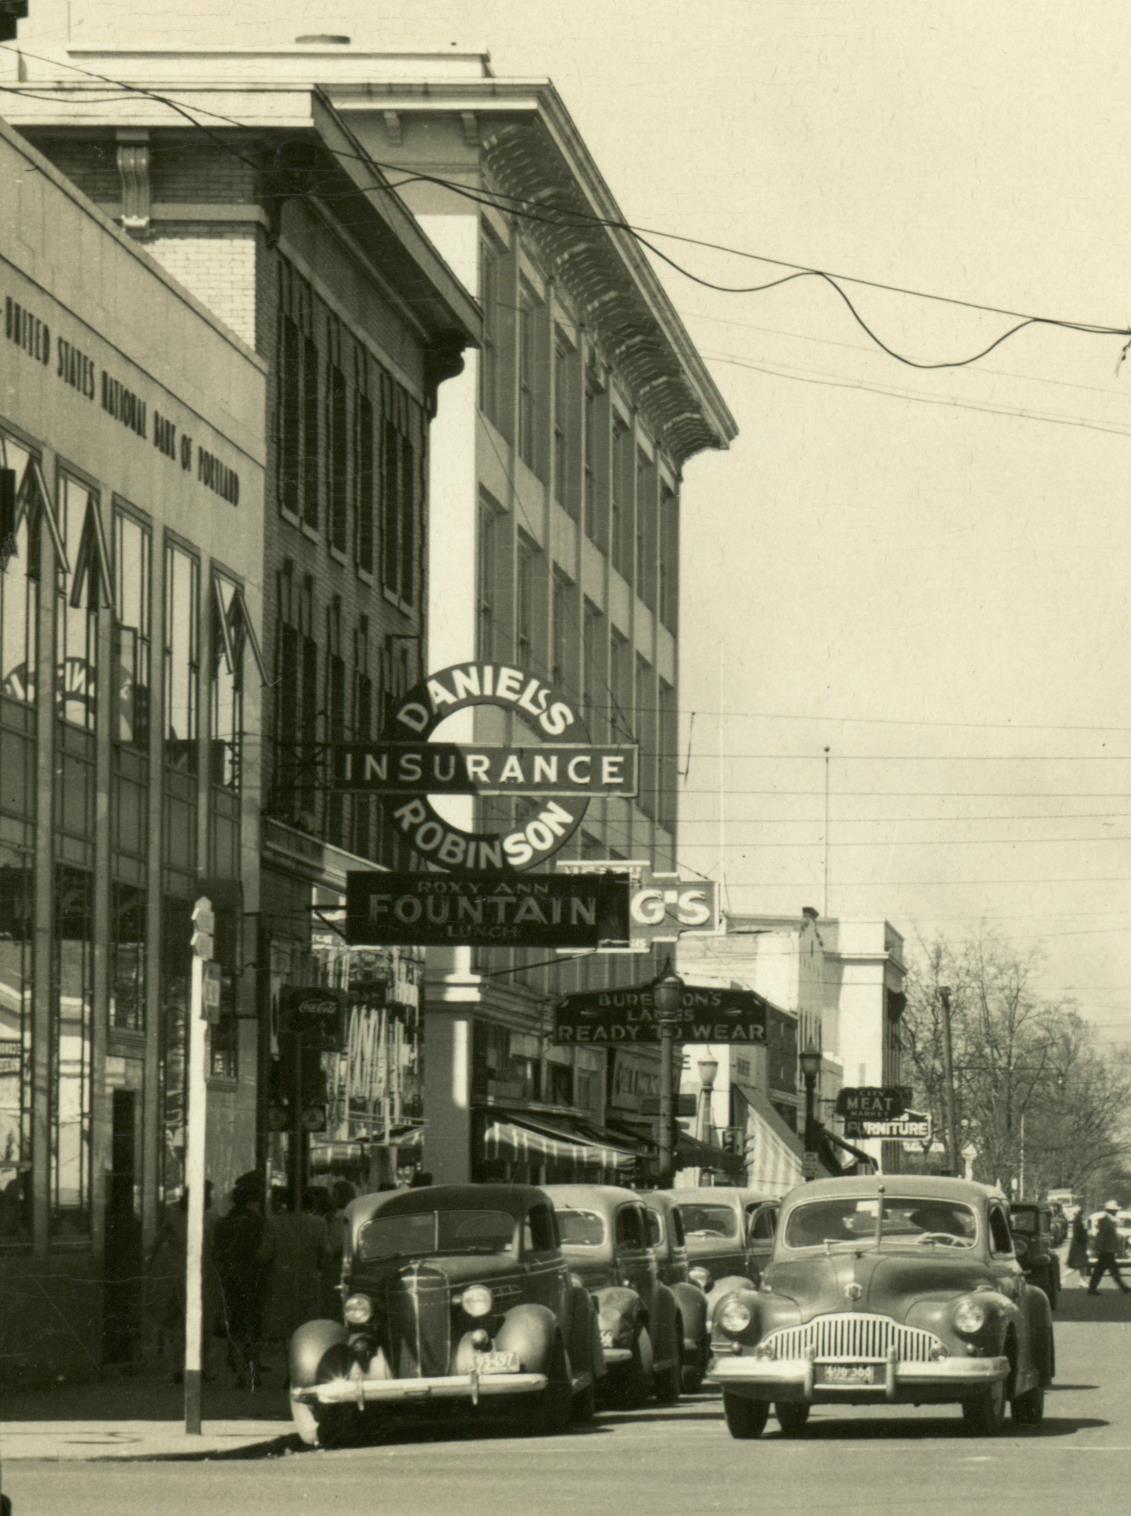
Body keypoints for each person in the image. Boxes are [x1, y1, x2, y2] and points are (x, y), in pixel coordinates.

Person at [214, 1172, 274, 1387]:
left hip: (231, 1277)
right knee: (255, 1323)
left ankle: (241, 1371)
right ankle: (253, 1369)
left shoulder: (224, 1222)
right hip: (255, 1277)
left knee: (236, 1323)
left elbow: (217, 1253)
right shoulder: (259, 1223)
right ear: (255, 1200)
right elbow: (264, 1254)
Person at [263, 1186, 330, 1351]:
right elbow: (326, 1252)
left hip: (281, 1280)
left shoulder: (273, 1222)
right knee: (307, 1323)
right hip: (309, 1279)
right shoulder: (318, 1223)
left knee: (286, 1327)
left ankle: (290, 1364)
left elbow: (265, 1254)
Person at [1086, 1200, 1130, 1295]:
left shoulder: (1110, 1219)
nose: (1116, 1211)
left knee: (1102, 1269)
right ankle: (1123, 1287)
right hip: (1106, 1249)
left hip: (1108, 1249)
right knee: (1109, 1270)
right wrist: (1099, 1248)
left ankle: (1092, 1288)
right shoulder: (1106, 1220)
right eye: (1114, 1210)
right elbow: (1102, 1235)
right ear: (1110, 1210)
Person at [1066, 1209, 1090, 1286]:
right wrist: (1086, 1234)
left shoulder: (1077, 1223)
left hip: (1077, 1245)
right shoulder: (1079, 1225)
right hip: (1079, 1246)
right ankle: (1081, 1280)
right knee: (1081, 1264)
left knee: (1081, 1264)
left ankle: (1082, 1280)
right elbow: (1081, 1236)